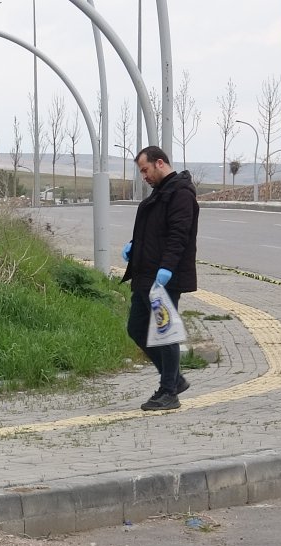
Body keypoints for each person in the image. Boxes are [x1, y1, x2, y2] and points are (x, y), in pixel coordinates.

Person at [121, 145, 199, 411]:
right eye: (141, 172)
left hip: (163, 278)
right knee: (136, 328)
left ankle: (169, 392)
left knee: (165, 333)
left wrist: (166, 270)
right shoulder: (161, 192)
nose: (144, 176)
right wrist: (134, 245)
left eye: (145, 170)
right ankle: (174, 378)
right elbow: (155, 232)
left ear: (160, 163)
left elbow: (178, 236)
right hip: (145, 276)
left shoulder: (181, 193)